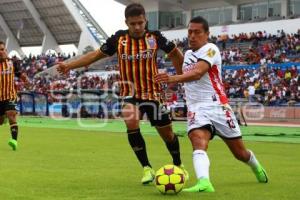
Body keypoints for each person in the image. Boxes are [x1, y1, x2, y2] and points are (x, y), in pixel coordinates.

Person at [57, 3, 188, 184]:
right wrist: (69, 65)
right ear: (126, 22)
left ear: (145, 21)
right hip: (130, 93)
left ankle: (178, 164)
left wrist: (179, 78)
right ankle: (147, 168)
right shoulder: (119, 39)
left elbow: (175, 54)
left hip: (153, 94)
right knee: (131, 119)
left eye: (140, 23)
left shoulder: (155, 37)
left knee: (167, 134)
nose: (136, 27)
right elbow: (95, 55)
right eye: (132, 23)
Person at [155, 16, 268, 192]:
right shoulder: (188, 54)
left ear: (207, 34)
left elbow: (198, 73)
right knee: (198, 140)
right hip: (196, 107)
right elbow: (185, 76)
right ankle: (204, 182)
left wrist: (171, 78)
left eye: (197, 32)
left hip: (218, 107)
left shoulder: (211, 49)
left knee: (240, 154)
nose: (192, 36)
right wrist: (173, 66)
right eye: (190, 32)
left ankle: (256, 166)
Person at [0, 41, 28, 150]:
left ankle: (14, 141)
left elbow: (20, 74)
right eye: (0, 50)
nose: (2, 52)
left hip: (10, 95)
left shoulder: (12, 63)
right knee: (1, 121)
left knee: (11, 115)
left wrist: (24, 77)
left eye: (3, 49)